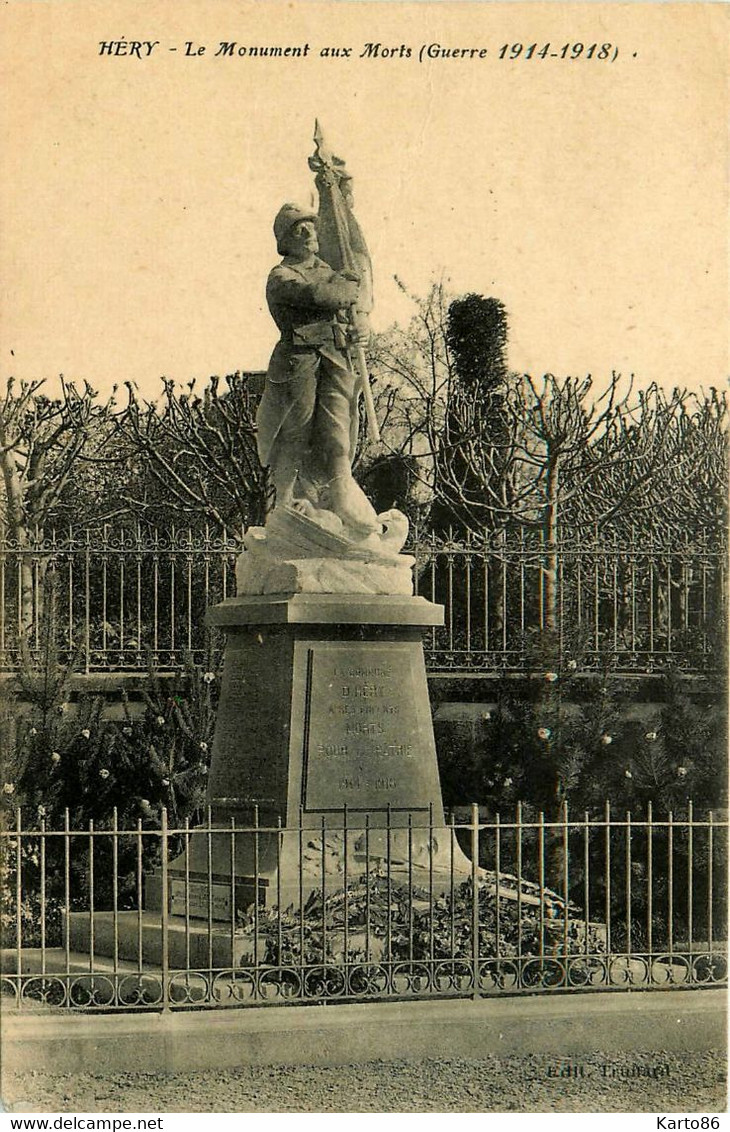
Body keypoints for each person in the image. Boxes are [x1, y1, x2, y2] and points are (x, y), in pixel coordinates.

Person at [256, 203, 381, 535]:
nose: (309, 232)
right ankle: (283, 501)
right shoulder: (282, 275)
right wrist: (347, 289)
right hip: (300, 359)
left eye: (311, 225)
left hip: (336, 357)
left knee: (339, 429)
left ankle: (340, 492)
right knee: (295, 431)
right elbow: (317, 295)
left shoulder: (330, 269)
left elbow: (346, 309)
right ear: (286, 240)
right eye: (299, 229)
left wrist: (361, 327)